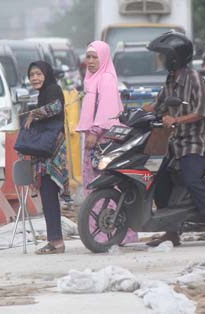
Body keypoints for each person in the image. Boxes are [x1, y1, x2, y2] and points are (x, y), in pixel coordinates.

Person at [142, 30, 205, 246]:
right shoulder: (171, 78)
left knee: (192, 181)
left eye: (163, 56)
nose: (160, 60)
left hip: (196, 142)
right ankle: (172, 232)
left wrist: (175, 120)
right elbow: (159, 103)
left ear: (174, 57)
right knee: (159, 182)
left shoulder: (194, 78)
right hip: (176, 144)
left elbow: (202, 111)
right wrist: (142, 111)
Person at [76, 40, 137, 245]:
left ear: (104, 58)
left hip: (102, 140)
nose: (91, 61)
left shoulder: (107, 79)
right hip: (93, 140)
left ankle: (114, 232)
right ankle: (98, 230)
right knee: (92, 187)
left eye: (95, 57)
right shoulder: (92, 79)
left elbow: (107, 111)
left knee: (104, 185)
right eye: (88, 57)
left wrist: (94, 131)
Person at [22, 61, 68, 255]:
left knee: (49, 196)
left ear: (46, 74)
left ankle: (56, 242)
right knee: (47, 197)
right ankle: (54, 240)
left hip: (52, 154)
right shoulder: (43, 93)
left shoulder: (53, 89)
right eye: (32, 75)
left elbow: (56, 108)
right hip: (45, 153)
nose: (35, 78)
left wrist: (34, 114)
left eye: (39, 74)